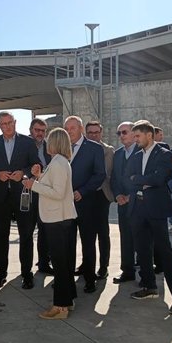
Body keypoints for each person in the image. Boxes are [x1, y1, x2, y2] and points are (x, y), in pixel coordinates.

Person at [124, 120, 172, 316]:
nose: (135, 140)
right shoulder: (136, 155)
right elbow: (127, 179)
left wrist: (139, 180)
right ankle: (149, 286)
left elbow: (160, 178)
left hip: (156, 210)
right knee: (142, 250)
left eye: (138, 136)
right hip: (137, 209)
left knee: (165, 252)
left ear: (149, 135)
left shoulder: (165, 154)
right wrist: (143, 181)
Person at [0, 111, 41, 289]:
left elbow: (37, 165)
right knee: (1, 237)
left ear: (15, 122)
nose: (7, 126)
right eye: (3, 124)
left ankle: (26, 274)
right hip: (0, 198)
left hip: (22, 195)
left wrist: (24, 173)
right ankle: (1, 273)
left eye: (10, 123)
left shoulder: (27, 142)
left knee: (26, 236)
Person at [23, 128, 77, 320]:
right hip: (59, 219)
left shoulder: (59, 163)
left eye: (49, 140)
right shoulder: (58, 162)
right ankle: (67, 300)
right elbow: (55, 187)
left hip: (58, 221)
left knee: (61, 265)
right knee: (65, 263)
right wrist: (39, 177)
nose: (46, 143)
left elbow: (58, 193)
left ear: (55, 142)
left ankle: (60, 306)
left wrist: (33, 185)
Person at [64, 116, 106, 294]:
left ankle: (89, 279)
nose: (69, 131)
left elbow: (99, 174)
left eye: (72, 128)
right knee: (67, 243)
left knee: (88, 243)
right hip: (65, 204)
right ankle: (66, 280)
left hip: (86, 203)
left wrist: (83, 191)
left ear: (81, 128)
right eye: (67, 128)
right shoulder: (62, 148)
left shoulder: (94, 148)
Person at [84, 120, 114, 279]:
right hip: (85, 195)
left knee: (102, 232)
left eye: (96, 132)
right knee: (85, 233)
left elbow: (104, 172)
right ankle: (86, 263)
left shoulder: (108, 150)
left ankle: (103, 266)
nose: (93, 135)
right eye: (90, 133)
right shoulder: (81, 149)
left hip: (101, 194)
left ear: (101, 133)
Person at [110, 122, 139, 284]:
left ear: (134, 133)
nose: (121, 136)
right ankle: (127, 271)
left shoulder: (142, 151)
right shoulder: (118, 153)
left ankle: (148, 272)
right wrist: (118, 195)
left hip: (140, 203)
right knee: (126, 238)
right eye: (119, 133)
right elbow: (114, 178)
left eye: (124, 132)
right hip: (123, 204)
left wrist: (131, 196)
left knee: (144, 239)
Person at [29, 118, 53, 273]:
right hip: (28, 193)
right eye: (37, 130)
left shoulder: (49, 147)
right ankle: (27, 267)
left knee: (45, 230)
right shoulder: (24, 145)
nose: (40, 133)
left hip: (45, 193)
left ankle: (44, 262)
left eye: (43, 131)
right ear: (31, 130)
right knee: (28, 230)